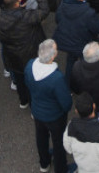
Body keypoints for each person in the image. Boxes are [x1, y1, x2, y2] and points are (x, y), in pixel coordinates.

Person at [24, 39, 73, 173]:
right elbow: (66, 102)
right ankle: (61, 169)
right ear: (52, 56)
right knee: (58, 143)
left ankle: (44, 163)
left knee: (41, 137)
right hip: (55, 117)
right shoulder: (56, 78)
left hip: (38, 112)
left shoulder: (29, 66)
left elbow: (27, 84)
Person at [54, 0, 99, 77]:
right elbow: (98, 28)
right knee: (88, 63)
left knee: (71, 61)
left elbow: (57, 19)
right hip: (82, 43)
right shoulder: (88, 12)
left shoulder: (64, 4)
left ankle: (69, 84)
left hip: (67, 41)